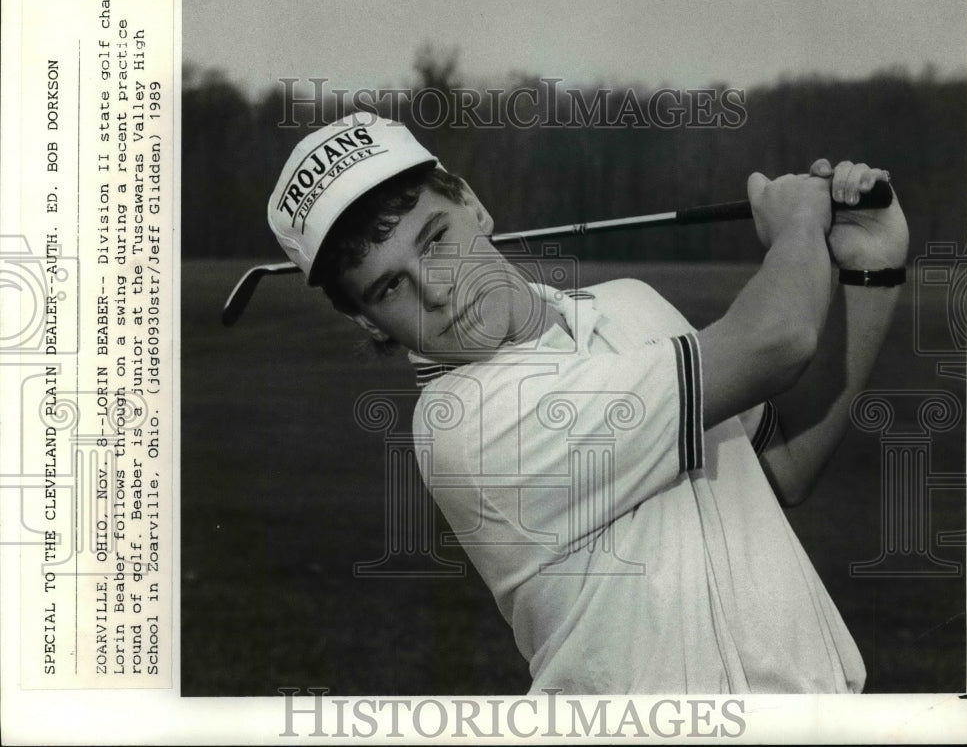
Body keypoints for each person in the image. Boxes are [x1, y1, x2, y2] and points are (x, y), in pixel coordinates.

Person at [266, 113, 909, 694]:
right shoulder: (464, 426)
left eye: (434, 239)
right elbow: (777, 341)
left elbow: (784, 466)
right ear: (370, 324)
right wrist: (797, 222)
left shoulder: (629, 301)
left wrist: (870, 269)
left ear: (473, 204)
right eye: (387, 287)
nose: (435, 290)